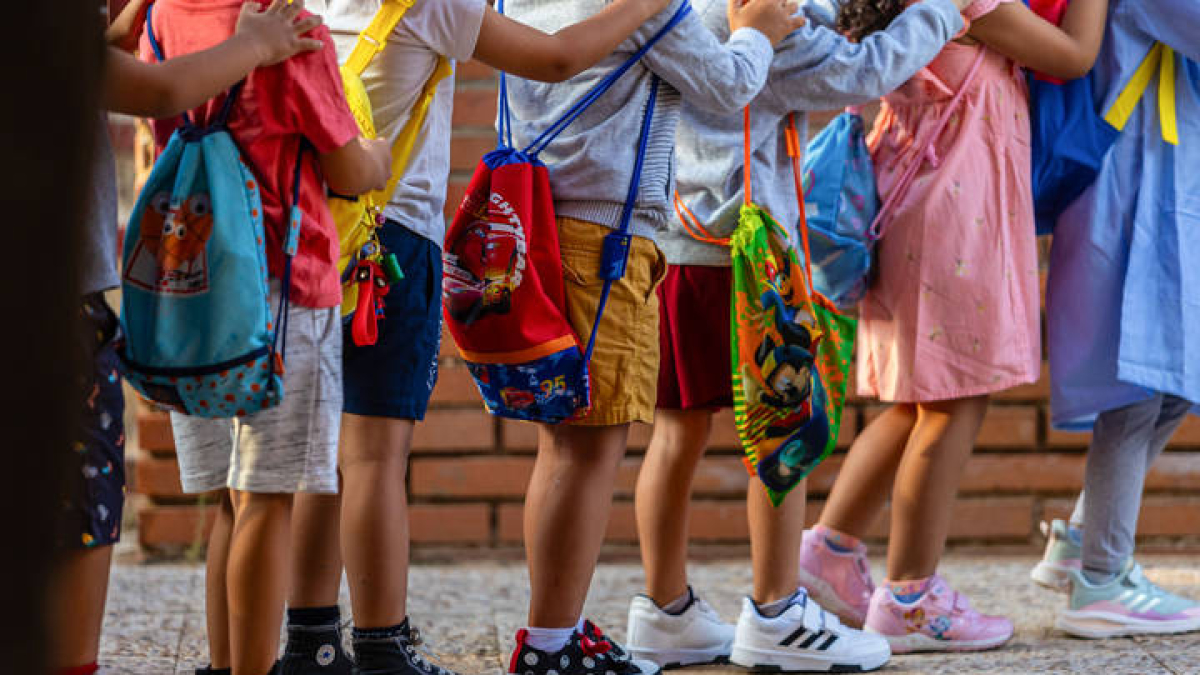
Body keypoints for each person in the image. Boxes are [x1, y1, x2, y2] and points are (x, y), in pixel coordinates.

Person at [275, 0, 746, 673]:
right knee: (396, 458)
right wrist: (701, 19)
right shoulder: (437, 5)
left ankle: (312, 641)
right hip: (417, 240)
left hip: (321, 235)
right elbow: (700, 81)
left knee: (322, 455)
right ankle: (410, 645)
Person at [625, 0, 970, 671]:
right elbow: (860, 73)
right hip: (749, 255)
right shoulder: (761, 15)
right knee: (785, 435)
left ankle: (665, 611)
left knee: (674, 435)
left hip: (675, 245)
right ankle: (778, 612)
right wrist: (937, 13)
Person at [495, 1, 801, 673]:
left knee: (561, 446)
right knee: (589, 450)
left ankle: (553, 633)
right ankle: (552, 644)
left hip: (536, 224)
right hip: (603, 243)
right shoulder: (642, 5)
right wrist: (759, 33)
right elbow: (726, 85)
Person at [797, 0, 1108, 653]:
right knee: (954, 400)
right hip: (954, 210)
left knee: (919, 400)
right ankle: (910, 597)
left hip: (925, 197)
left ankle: (828, 552)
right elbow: (1073, 55)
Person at [50, 3, 337, 675]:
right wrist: (257, 44)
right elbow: (162, 89)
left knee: (229, 504)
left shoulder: (147, 28)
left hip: (171, 312)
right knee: (98, 508)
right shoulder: (284, 34)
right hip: (78, 312)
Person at [139, 0, 393, 673]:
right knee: (266, 500)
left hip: (192, 291)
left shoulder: (164, 18)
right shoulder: (290, 28)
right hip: (284, 293)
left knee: (232, 498)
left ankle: (225, 663)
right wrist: (379, 156)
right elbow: (346, 170)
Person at [1034, 0, 1200, 639]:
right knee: (1137, 388)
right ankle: (1102, 580)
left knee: (1174, 382)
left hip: (1163, 188)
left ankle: (1082, 539)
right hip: (1128, 196)